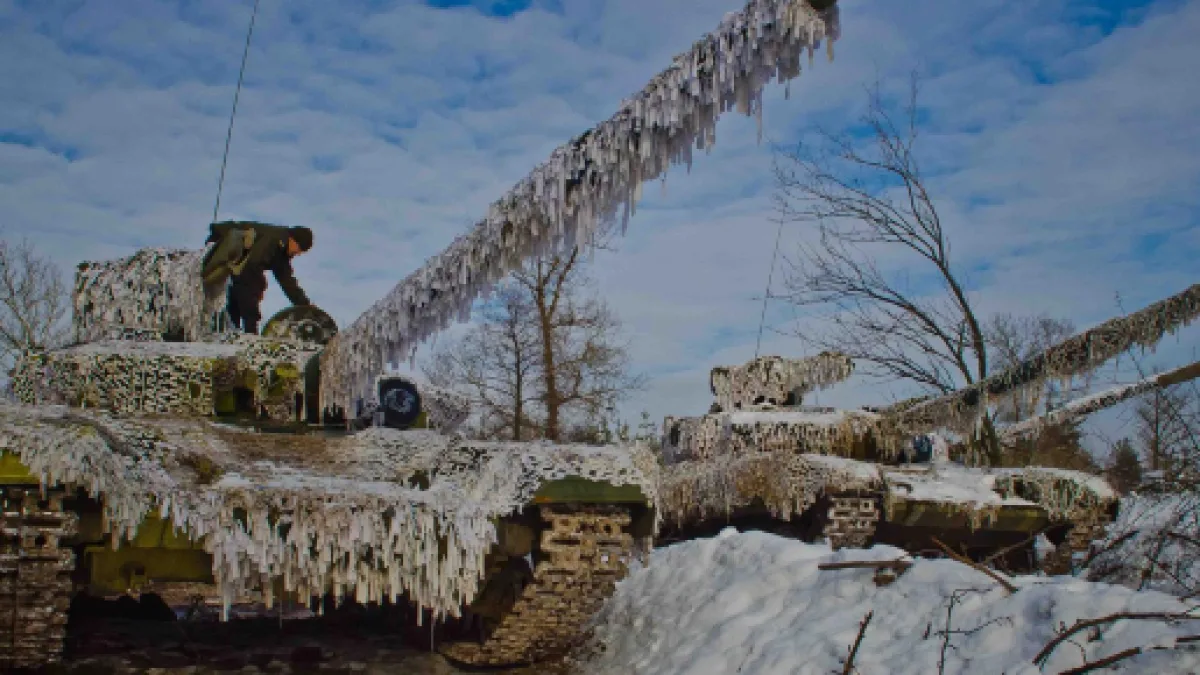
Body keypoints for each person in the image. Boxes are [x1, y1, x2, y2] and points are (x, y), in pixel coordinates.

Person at [204, 220, 313, 334]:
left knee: (244, 290)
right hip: (220, 246)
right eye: (300, 249)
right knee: (249, 289)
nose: (298, 253)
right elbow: (250, 267)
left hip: (236, 262)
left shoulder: (281, 252)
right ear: (293, 240)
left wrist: (305, 305)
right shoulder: (273, 240)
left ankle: (230, 329)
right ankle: (247, 332)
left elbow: (288, 282)